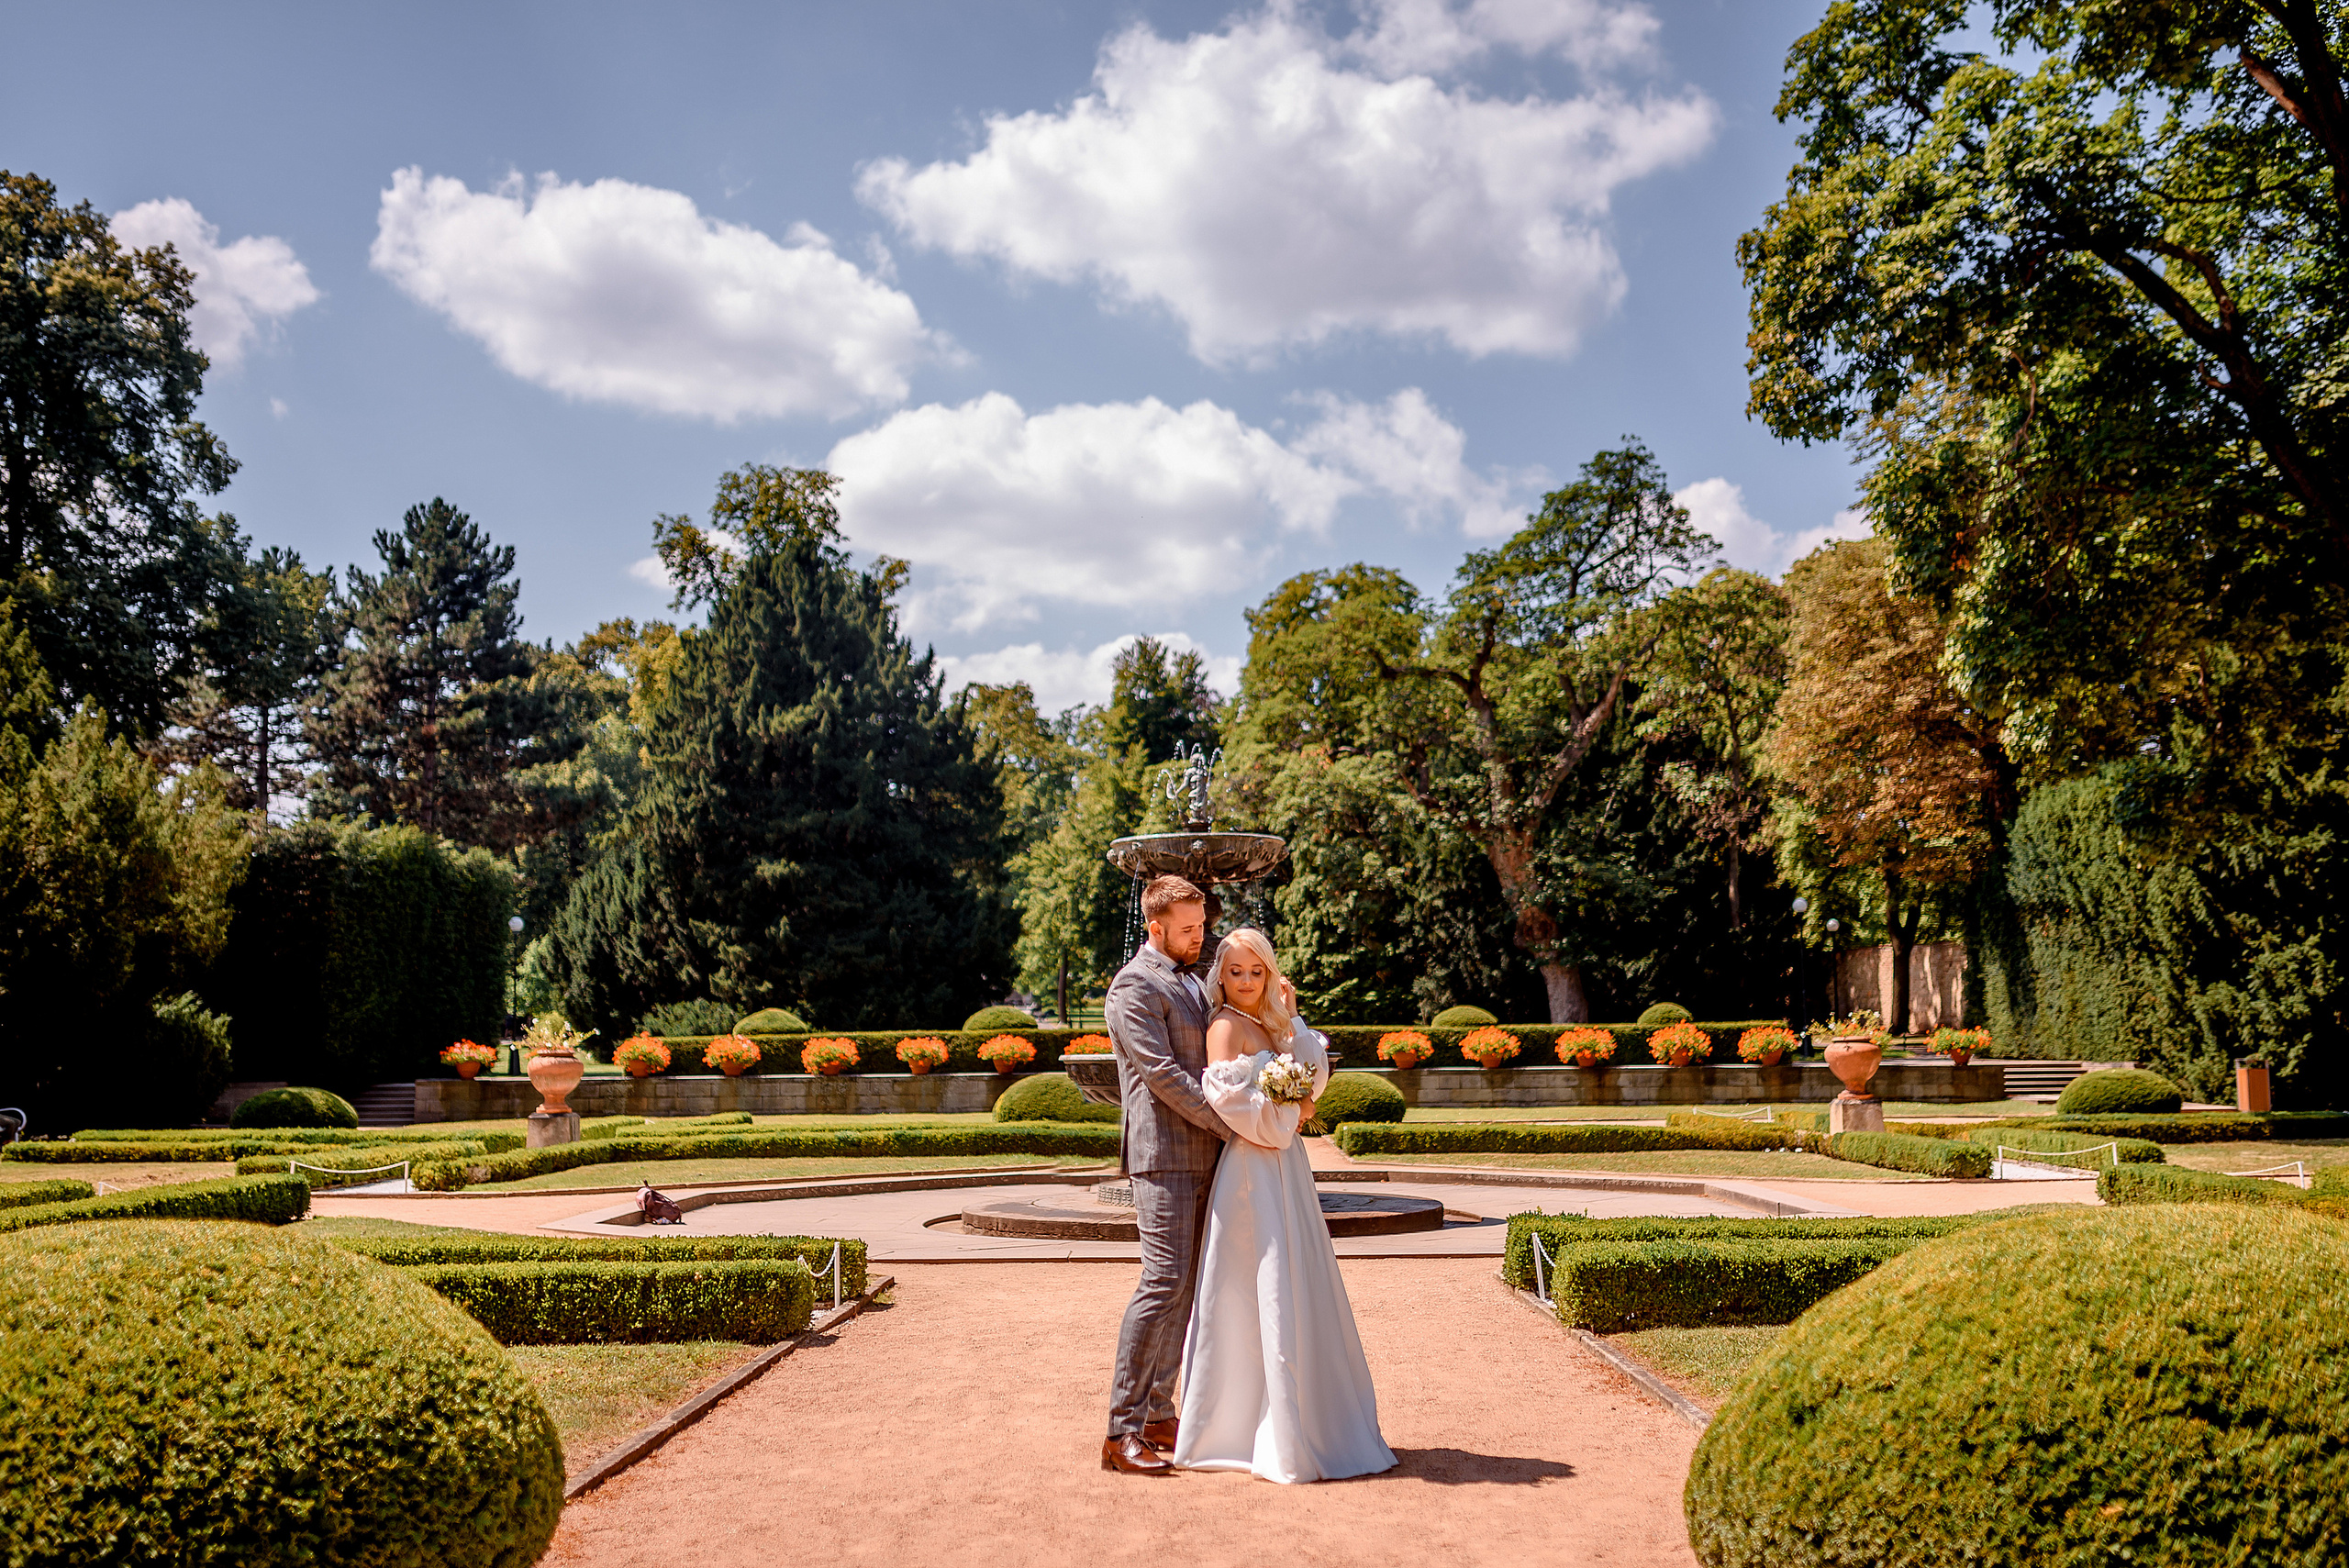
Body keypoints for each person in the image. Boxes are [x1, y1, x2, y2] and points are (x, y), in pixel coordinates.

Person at [1173, 926, 1396, 1484]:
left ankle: (1308, 1419)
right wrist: (1286, 1118)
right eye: (1235, 972)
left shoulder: (1268, 1022)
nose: (1246, 982)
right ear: (1220, 976)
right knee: (1257, 1285)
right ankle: (1246, 1427)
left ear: (1270, 974)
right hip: (1252, 1170)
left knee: (1296, 1279)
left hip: (1286, 1167)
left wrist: (1292, 1017)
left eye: (1257, 971)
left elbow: (1314, 1080)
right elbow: (1231, 1104)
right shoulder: (1224, 1027)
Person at [1100, 874, 1230, 1476]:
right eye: (1187, 929)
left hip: (1205, 1154)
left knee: (1185, 1287)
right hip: (1162, 1156)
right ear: (1155, 927)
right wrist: (1233, 1126)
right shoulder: (1132, 987)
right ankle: (1119, 1430)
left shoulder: (1191, 981)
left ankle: (1158, 1412)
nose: (1198, 937)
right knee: (1161, 1281)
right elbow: (1164, 1076)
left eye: (1202, 926)